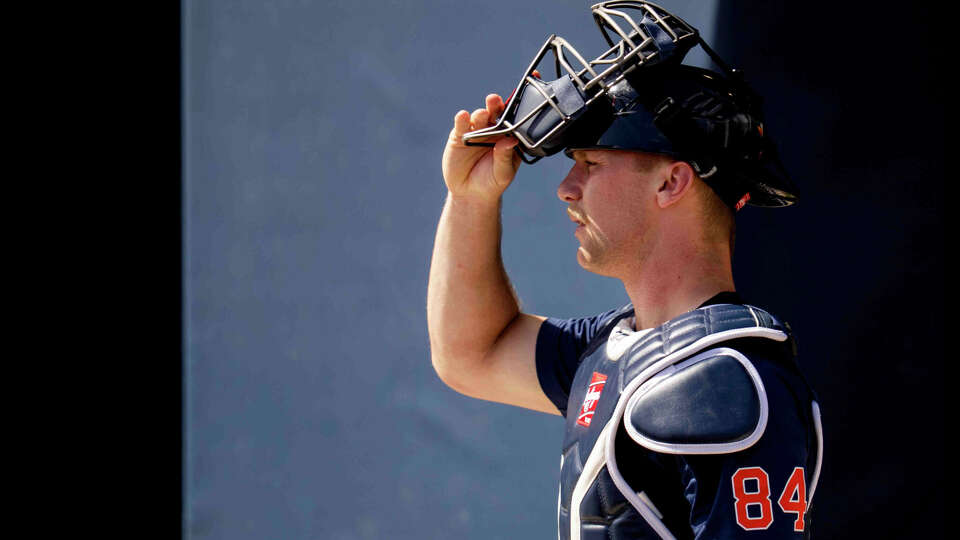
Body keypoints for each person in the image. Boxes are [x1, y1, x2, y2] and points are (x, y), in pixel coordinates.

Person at [427, 3, 822, 538]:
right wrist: (471, 201)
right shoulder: (618, 347)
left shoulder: (725, 377)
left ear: (670, 183)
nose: (566, 187)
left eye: (591, 163)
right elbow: (473, 353)